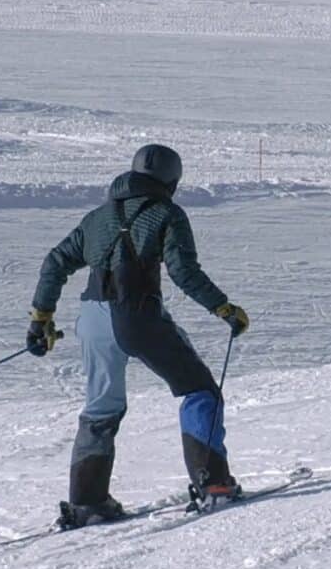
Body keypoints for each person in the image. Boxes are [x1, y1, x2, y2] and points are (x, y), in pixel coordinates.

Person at [28, 144, 251, 528]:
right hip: (137, 317)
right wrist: (223, 308)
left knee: (101, 407)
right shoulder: (167, 213)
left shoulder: (98, 217)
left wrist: (41, 319)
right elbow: (184, 272)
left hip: (93, 319)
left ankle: (87, 502)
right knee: (199, 390)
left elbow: (56, 262)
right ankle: (213, 484)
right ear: (172, 180)